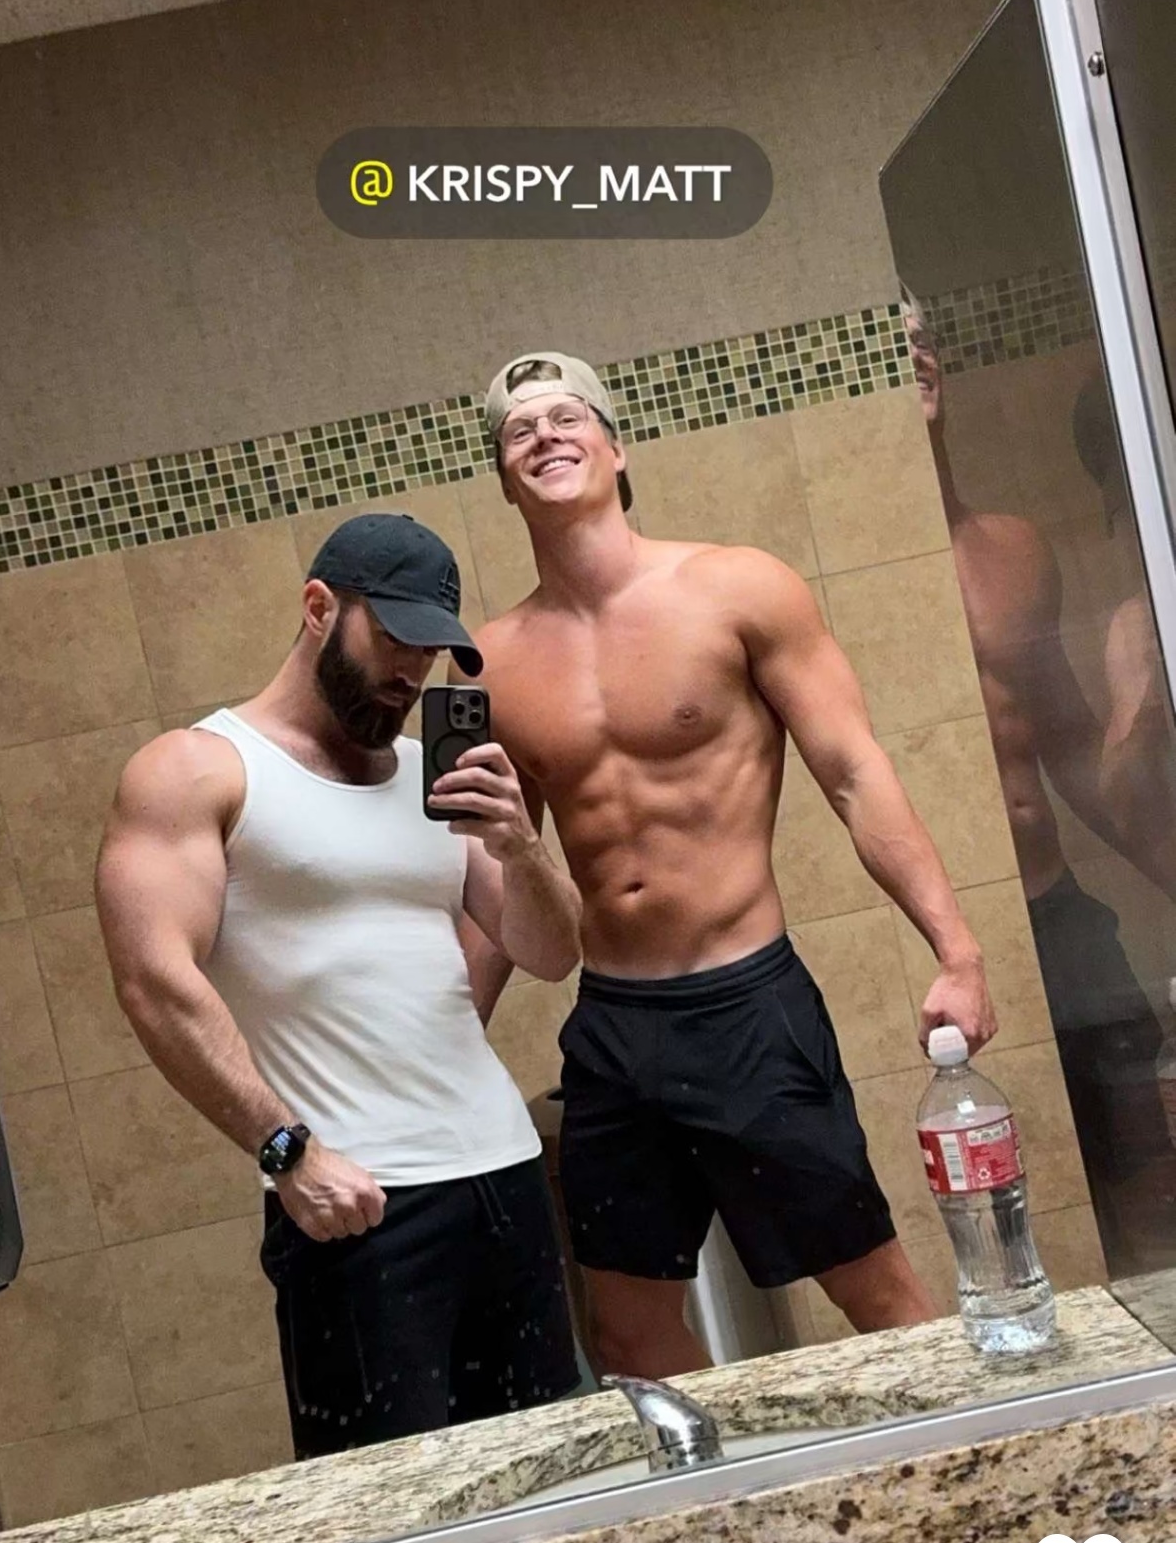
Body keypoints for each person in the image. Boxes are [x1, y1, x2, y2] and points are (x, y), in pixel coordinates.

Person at [464, 349, 997, 1381]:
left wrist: (957, 950)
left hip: (747, 1009)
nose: (545, 435)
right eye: (519, 430)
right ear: (502, 479)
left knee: (872, 1292)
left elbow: (854, 773)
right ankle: (723, 1487)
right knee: (627, 1336)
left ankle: (966, 1462)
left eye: (568, 416)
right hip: (613, 1026)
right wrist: (448, 1047)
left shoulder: (738, 588)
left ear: (616, 449)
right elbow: (496, 875)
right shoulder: (490, 660)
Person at [96, 513, 583, 1458]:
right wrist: (287, 1153)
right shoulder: (197, 771)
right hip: (358, 1204)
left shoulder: (431, 775)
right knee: (388, 1508)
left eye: (430, 652)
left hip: (505, 1179)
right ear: (319, 608)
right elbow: (153, 982)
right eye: (394, 639)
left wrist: (520, 845)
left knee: (547, 1481)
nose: (411, 673)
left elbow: (552, 950)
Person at [902, 299, 1175, 1265]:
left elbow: (1064, 741)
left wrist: (1163, 867)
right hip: (941, 929)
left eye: (921, 336)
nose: (912, 354)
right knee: (1010, 1195)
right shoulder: (830, 574)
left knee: (1142, 1160)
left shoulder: (1012, 548)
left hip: (1053, 905)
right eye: (887, 342)